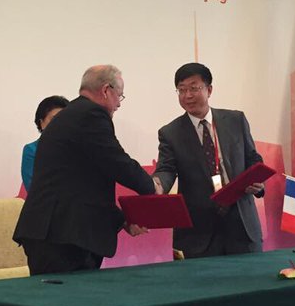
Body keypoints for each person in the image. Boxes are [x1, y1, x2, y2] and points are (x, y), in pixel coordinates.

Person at [13, 64, 155, 274]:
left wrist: (122, 220)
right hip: (62, 236)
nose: (118, 104)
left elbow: (83, 183)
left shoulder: (71, 116)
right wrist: (151, 187)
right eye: (119, 96)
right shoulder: (91, 115)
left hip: (56, 233)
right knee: (67, 295)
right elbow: (116, 161)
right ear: (106, 90)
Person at [154, 62, 264, 258]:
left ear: (209, 89)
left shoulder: (236, 120)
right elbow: (166, 169)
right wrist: (157, 184)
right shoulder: (170, 133)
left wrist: (258, 182)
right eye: (182, 90)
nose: (187, 95)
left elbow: (252, 158)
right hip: (198, 232)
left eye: (194, 88)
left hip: (242, 225)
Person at [21, 94, 69, 190]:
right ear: (41, 123)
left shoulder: (76, 148)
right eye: (55, 119)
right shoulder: (32, 150)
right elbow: (34, 188)